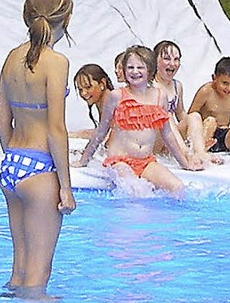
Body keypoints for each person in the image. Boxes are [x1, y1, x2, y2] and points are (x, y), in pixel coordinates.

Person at [0, 0, 76, 300]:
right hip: (40, 169)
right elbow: (56, 128)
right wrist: (66, 188)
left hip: (12, 164)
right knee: (38, 277)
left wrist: (15, 162)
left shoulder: (11, 58)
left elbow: (3, 123)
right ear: (66, 20)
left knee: (18, 272)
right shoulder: (56, 63)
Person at [73, 45, 203, 195]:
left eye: (140, 67)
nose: (135, 72)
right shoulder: (117, 96)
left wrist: (185, 163)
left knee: (177, 188)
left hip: (146, 161)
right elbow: (101, 131)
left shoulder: (160, 96)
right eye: (130, 67)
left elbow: (167, 135)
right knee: (136, 191)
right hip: (120, 160)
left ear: (150, 69)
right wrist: (83, 160)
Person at [153, 40, 219, 164]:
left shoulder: (177, 86)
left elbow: (181, 113)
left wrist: (197, 129)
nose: (172, 63)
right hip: (153, 141)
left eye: (176, 59)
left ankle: (200, 153)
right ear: (155, 61)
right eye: (167, 59)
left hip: (170, 141)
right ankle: (186, 154)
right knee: (165, 116)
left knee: (194, 116)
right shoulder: (150, 86)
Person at [70, 63, 115, 142]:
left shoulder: (113, 104)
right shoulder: (103, 103)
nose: (83, 93)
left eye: (88, 87)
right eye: (80, 89)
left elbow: (110, 137)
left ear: (102, 83)